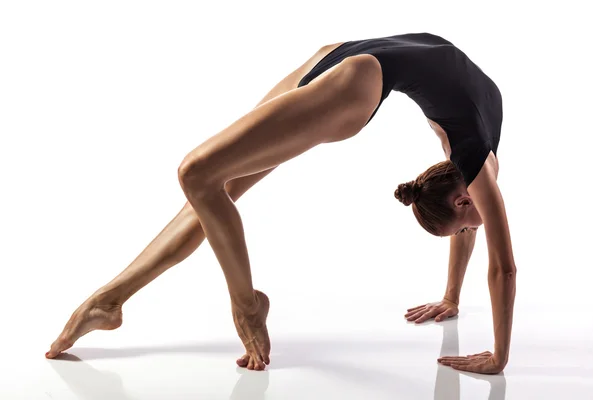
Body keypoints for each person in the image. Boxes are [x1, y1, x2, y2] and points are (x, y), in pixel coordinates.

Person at [45, 33, 517, 375]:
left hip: (340, 52)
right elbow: (504, 269)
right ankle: (248, 306)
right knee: (198, 174)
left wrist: (452, 297)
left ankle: (109, 300)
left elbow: (473, 225)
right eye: (460, 229)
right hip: (356, 82)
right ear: (462, 197)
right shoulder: (476, 163)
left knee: (214, 190)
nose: (466, 232)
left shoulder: (474, 150)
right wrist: (498, 356)